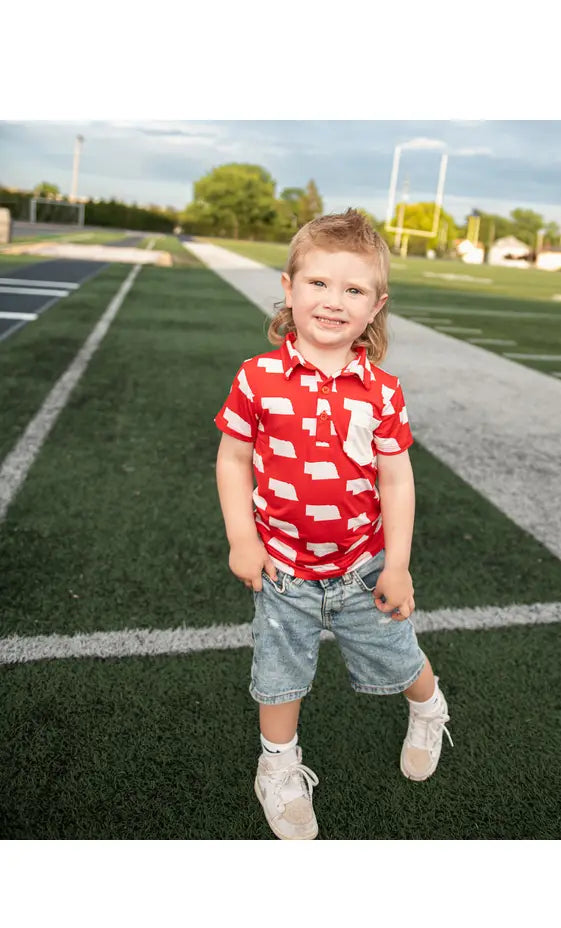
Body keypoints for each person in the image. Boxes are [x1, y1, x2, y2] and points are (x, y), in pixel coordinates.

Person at [214, 209, 452, 840]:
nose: (333, 301)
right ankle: (278, 769)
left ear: (376, 307)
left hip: (362, 568)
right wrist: (244, 536)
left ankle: (429, 710)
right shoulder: (257, 377)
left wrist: (396, 565)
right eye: (318, 283)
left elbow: (396, 479)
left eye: (354, 290)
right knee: (278, 675)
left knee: (401, 659)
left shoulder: (383, 390)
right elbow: (233, 457)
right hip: (283, 571)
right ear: (288, 289)